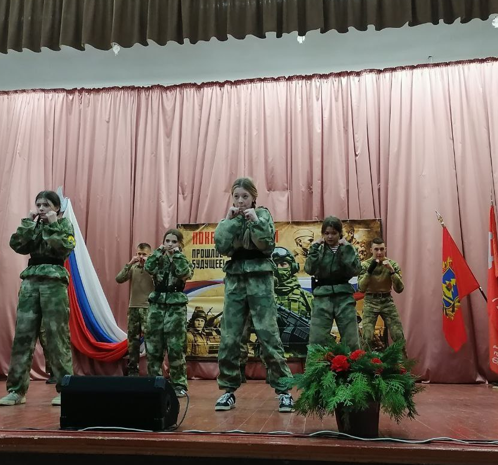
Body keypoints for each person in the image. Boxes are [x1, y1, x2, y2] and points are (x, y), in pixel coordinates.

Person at [212, 177, 294, 413]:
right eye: (236, 196)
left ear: (253, 198)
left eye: (245, 196)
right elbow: (222, 247)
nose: (240, 201)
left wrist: (255, 220)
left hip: (260, 279)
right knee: (230, 336)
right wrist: (229, 222)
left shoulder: (263, 215)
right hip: (236, 280)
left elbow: (267, 245)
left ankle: (284, 391)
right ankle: (228, 390)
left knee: (268, 334)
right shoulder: (229, 219)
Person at [0, 191, 76, 406]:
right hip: (31, 281)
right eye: (38, 204)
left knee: (56, 336)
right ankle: (16, 390)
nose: (41, 208)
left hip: (54, 281)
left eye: (46, 205)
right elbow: (17, 245)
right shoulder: (33, 225)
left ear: (57, 208)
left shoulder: (64, 225)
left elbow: (65, 247)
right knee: (23, 335)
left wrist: (53, 224)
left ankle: (66, 389)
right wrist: (27, 222)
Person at [144, 229, 193, 396]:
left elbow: (184, 273)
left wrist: (177, 256)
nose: (170, 244)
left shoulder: (183, 260)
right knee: (153, 345)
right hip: (157, 305)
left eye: (174, 241)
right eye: (167, 241)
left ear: (179, 244)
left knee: (176, 346)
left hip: (176, 306)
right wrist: (158, 252)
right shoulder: (158, 258)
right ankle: (154, 382)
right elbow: (148, 268)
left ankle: (179, 384)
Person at [304, 216, 361, 349]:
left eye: (334, 233)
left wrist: (347, 249)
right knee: (317, 340)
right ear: (322, 234)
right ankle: (316, 363)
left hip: (344, 296)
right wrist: (314, 249)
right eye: (327, 233)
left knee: (351, 339)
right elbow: (309, 269)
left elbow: (356, 270)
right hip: (322, 297)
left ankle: (354, 363)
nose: (330, 236)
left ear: (340, 233)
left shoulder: (347, 249)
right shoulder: (318, 249)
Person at [358, 237, 406, 355]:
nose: (379, 252)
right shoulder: (364, 265)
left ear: (385, 249)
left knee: (398, 335)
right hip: (370, 300)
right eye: (376, 249)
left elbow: (400, 289)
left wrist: (391, 271)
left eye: (381, 249)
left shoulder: (392, 264)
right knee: (367, 337)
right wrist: (370, 271)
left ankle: (402, 364)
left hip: (386, 300)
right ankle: (365, 364)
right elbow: (361, 288)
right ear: (371, 250)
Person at [115, 242, 155, 376]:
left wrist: (150, 265)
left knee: (150, 341)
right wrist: (130, 263)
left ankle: (153, 372)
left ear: (150, 255)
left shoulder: (154, 269)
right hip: (133, 308)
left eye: (144, 254)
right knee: (132, 341)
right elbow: (119, 279)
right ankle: (133, 370)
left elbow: (160, 281)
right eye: (139, 254)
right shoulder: (133, 267)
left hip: (148, 309)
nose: (141, 257)